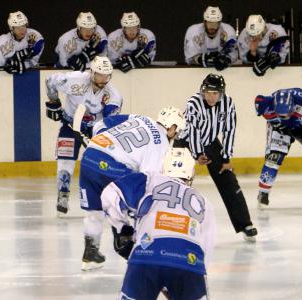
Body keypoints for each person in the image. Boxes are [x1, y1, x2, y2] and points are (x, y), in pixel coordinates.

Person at [100, 147, 215, 299]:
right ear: (191, 172)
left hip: (146, 255)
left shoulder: (149, 179)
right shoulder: (204, 202)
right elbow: (207, 244)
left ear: (164, 166)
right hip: (188, 261)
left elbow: (110, 195)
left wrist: (123, 228)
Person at [79, 107, 185, 271]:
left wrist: (99, 139)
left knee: (94, 211)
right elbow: (148, 179)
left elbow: (102, 123)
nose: (176, 136)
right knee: (133, 201)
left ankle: (91, 253)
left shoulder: (141, 117)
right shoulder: (162, 145)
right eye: (176, 131)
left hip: (89, 157)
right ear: (171, 128)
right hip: (113, 167)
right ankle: (127, 244)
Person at [174, 73, 258, 242]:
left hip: (211, 142)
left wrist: (226, 159)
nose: (211, 97)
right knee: (178, 183)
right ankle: (173, 224)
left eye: (216, 93)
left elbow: (230, 130)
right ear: (202, 91)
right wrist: (198, 154)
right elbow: (193, 130)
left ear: (221, 93)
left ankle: (244, 224)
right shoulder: (193, 103)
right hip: (186, 142)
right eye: (208, 92)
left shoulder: (227, 103)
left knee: (228, 179)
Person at [45, 56, 123, 217]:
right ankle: (63, 194)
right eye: (99, 74)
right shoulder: (75, 79)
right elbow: (50, 80)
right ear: (92, 72)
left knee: (100, 165)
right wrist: (54, 102)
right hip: (69, 125)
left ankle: (105, 197)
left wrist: (99, 138)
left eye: (106, 75)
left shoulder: (114, 96)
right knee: (65, 162)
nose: (103, 79)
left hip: (94, 131)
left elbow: (109, 123)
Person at [254, 88, 302, 209]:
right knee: (274, 157)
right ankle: (263, 192)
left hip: (301, 125)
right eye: (280, 115)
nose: (284, 117)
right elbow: (258, 100)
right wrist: (276, 123)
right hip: (279, 128)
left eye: (287, 114)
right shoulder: (265, 103)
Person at [184, 6, 238, 71]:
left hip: (222, 71)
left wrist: (226, 60)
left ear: (220, 23)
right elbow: (189, 58)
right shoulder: (193, 31)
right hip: (199, 71)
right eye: (209, 23)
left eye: (215, 23)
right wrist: (200, 59)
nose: (212, 27)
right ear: (204, 22)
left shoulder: (229, 31)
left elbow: (233, 55)